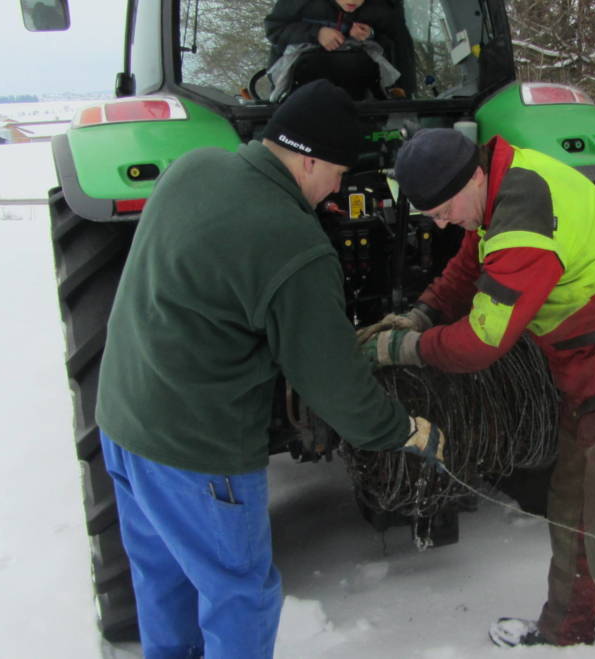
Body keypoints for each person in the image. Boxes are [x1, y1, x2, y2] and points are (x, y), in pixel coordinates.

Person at [95, 79, 446, 659]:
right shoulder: (292, 242)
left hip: (124, 423)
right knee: (242, 597)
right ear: (308, 160)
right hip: (197, 452)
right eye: (337, 173)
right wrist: (399, 428)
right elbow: (332, 383)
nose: (337, 189)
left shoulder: (194, 166)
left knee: (163, 576)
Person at [359, 128, 595, 658]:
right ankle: (566, 629)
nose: (442, 222)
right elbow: (470, 262)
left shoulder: (524, 221)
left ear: (472, 176)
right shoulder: (503, 184)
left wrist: (402, 349)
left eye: (445, 209)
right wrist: (422, 311)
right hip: (592, 374)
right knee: (572, 515)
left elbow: (479, 344)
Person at [264, 0, 415, 99]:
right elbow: (274, 29)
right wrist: (317, 33)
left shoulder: (383, 8)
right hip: (297, 93)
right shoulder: (300, 3)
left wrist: (371, 34)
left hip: (365, 99)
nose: (352, 0)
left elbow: (399, 49)